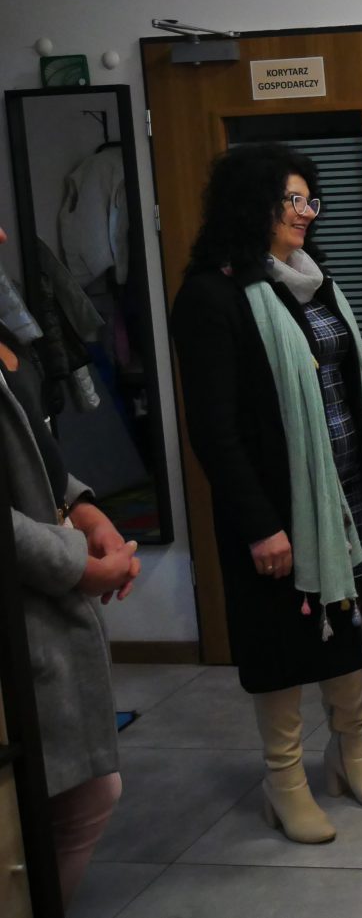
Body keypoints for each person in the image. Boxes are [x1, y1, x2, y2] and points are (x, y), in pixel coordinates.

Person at [171, 147, 362, 845]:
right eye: (291, 200)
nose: (306, 213)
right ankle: (285, 783)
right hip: (277, 508)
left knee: (343, 626)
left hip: (342, 498)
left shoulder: (313, 282)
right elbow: (214, 430)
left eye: (310, 200)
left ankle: (350, 755)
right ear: (254, 205)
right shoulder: (212, 298)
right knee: (278, 638)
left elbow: (351, 389)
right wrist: (260, 524)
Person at [4, 222, 137, 908]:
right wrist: (79, 565)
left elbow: (37, 448)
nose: (2, 231)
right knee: (71, 796)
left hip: (45, 606)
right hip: (23, 610)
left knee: (80, 791)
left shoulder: (8, 326)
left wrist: (87, 512)